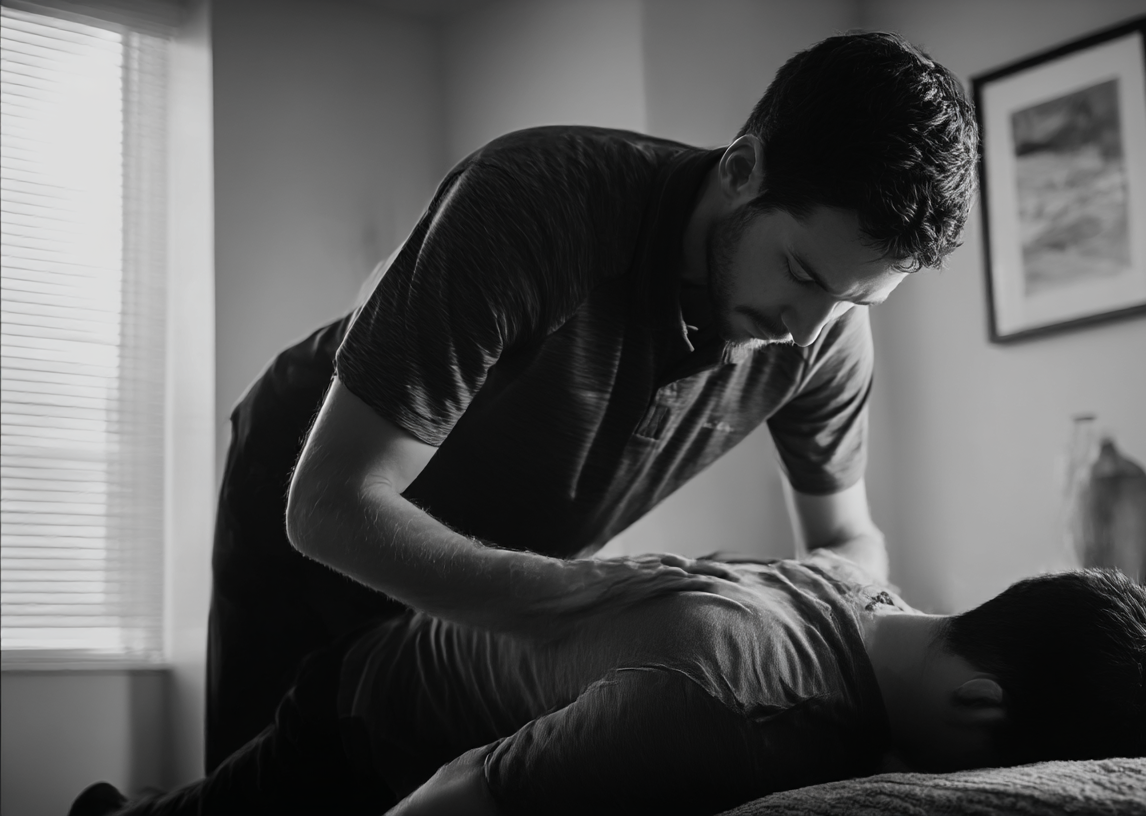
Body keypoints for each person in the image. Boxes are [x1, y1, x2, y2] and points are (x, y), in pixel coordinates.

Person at [206, 30, 980, 768]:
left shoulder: (823, 334)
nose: (807, 331)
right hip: (319, 481)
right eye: (803, 275)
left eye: (856, 302)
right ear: (743, 169)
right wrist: (589, 597)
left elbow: (847, 539)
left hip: (507, 547)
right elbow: (329, 505)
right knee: (262, 784)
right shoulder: (531, 202)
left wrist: (778, 612)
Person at [79, 563, 1146, 816]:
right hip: (371, 715)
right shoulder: (723, 710)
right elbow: (458, 795)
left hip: (434, 656)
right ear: (980, 709)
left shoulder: (862, 593)